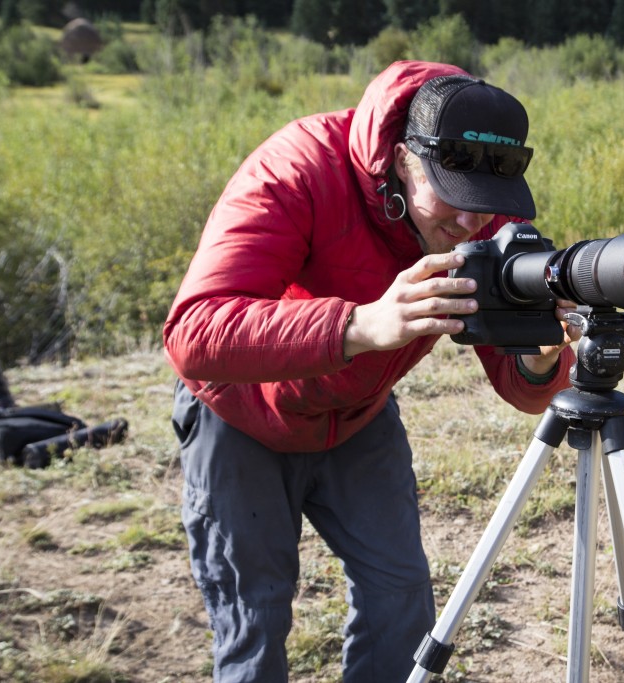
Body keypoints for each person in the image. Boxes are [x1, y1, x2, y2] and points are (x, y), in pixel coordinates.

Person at [163, 60, 578, 683]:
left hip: (357, 418)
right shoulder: (300, 166)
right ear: (404, 159)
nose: (472, 224)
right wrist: (359, 326)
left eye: (487, 207)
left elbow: (518, 382)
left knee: (401, 599)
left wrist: (541, 355)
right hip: (240, 413)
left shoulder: (482, 208)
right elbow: (194, 331)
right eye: (456, 201)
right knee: (257, 621)